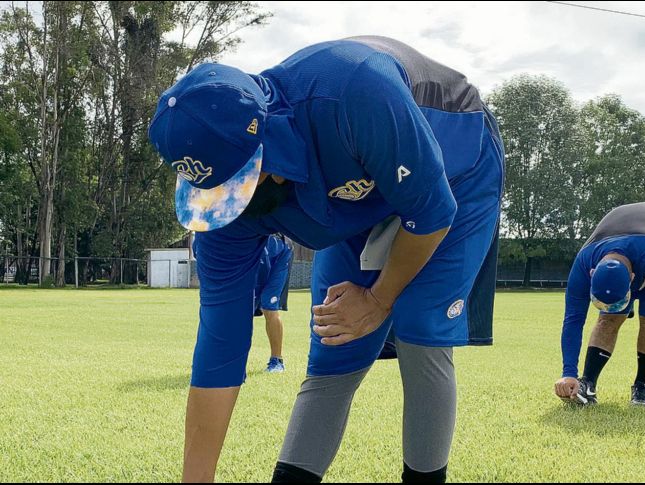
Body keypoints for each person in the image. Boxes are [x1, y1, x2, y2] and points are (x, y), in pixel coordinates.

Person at [149, 35, 503, 483]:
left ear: (268, 141)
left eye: (239, 185)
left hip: (456, 174)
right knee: (336, 337)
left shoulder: (355, 89)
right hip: (357, 194)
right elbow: (220, 346)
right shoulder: (222, 214)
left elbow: (432, 212)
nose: (229, 205)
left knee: (421, 324)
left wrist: (378, 300)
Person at [554, 202, 645, 407]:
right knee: (609, 317)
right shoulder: (583, 264)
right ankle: (588, 383)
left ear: (633, 278)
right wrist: (568, 373)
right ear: (592, 274)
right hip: (623, 235)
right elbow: (573, 320)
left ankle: (643, 385)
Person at [253, 234, 293, 373]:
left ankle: (276, 360)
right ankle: (236, 361)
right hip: (251, 246)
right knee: (242, 307)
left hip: (281, 249)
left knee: (269, 305)